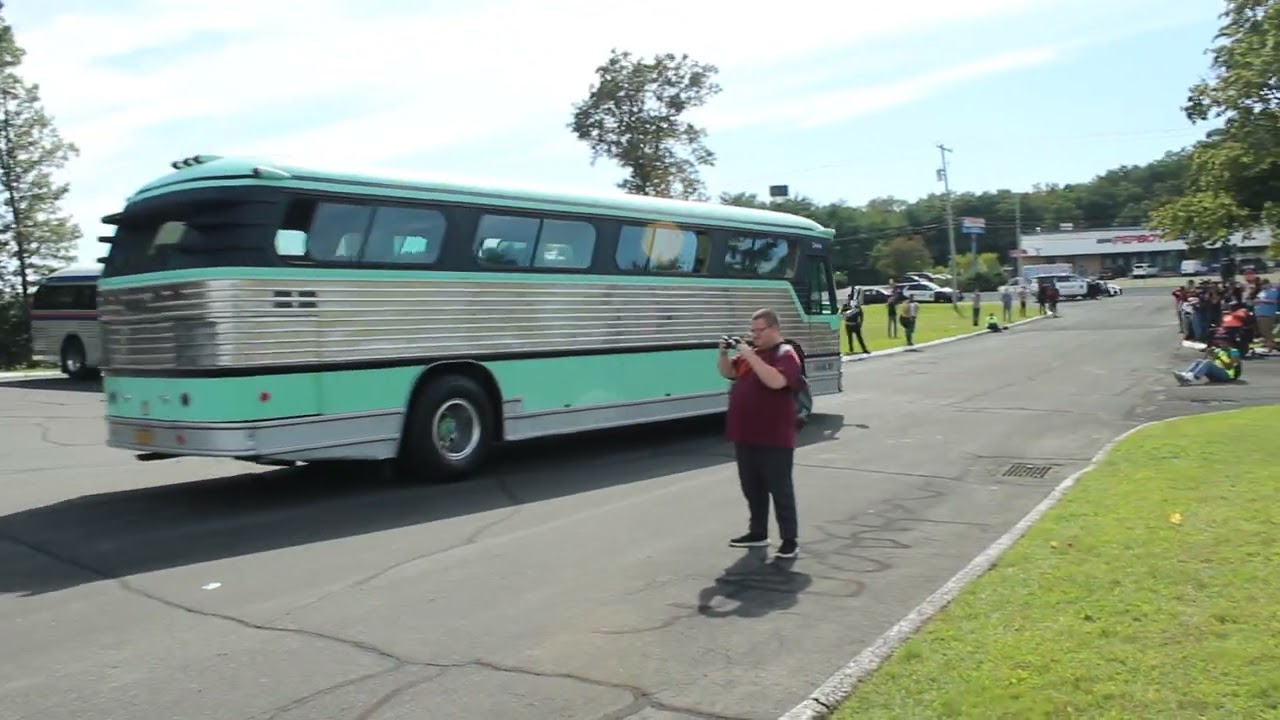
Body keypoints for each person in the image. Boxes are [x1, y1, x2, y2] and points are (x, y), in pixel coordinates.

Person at [717, 308, 804, 559]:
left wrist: (748, 354)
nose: (754, 335)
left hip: (774, 437)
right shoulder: (752, 354)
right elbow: (729, 372)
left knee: (780, 489)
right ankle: (758, 532)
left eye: (759, 331)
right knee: (752, 488)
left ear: (774, 328)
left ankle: (789, 539)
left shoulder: (785, 354)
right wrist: (723, 353)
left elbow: (776, 381)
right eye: (752, 330)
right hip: (745, 434)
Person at [1172, 337, 1242, 385]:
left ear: (1229, 343)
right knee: (1199, 361)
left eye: (1223, 343)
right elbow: (1206, 361)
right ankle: (1185, 375)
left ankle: (1190, 378)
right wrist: (1208, 354)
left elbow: (1229, 367)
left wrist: (1218, 357)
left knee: (1208, 363)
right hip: (1217, 374)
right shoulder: (1219, 350)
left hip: (1227, 375)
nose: (1221, 344)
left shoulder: (1233, 352)